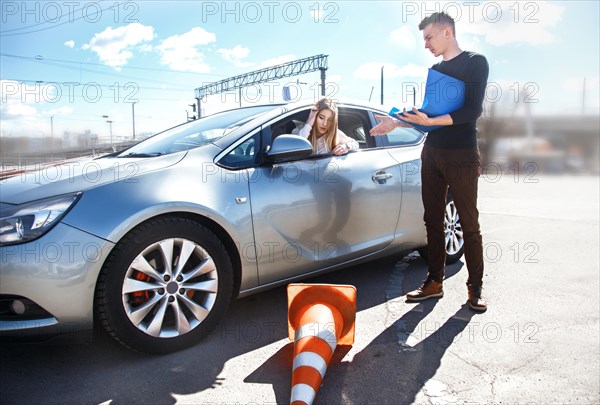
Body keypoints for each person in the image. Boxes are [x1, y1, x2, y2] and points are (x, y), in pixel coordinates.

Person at [370, 12, 489, 312]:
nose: (425, 44)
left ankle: (475, 288)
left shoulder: (476, 62)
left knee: (468, 222)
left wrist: (432, 118)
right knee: (432, 220)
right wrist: (396, 122)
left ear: (447, 32)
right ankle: (434, 281)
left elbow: (471, 111)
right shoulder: (435, 69)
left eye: (429, 37)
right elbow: (427, 117)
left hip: (461, 153)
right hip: (432, 151)